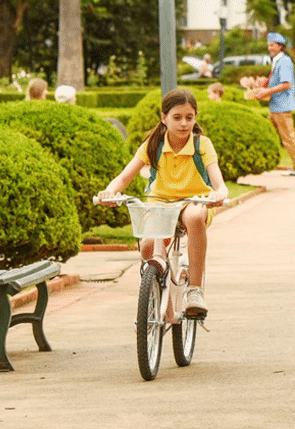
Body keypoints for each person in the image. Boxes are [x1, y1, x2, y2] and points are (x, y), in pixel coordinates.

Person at [97, 88, 228, 317]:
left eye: (189, 117)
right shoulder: (154, 144)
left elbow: (219, 183)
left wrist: (219, 194)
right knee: (148, 247)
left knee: (194, 216)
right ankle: (164, 308)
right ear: (164, 117)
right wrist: (109, 192)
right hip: (161, 204)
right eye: (177, 118)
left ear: (195, 117)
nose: (184, 124)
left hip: (193, 201)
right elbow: (125, 177)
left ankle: (194, 291)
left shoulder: (202, 145)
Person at [246, 32, 295, 176]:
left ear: (280, 46)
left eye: (272, 45)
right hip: (276, 106)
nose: (269, 48)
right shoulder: (279, 61)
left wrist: (266, 91)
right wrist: (264, 83)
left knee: (288, 137)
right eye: (268, 45)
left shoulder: (283, 61)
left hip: (281, 106)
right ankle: (260, 161)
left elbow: (286, 84)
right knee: (267, 133)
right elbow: (278, 80)